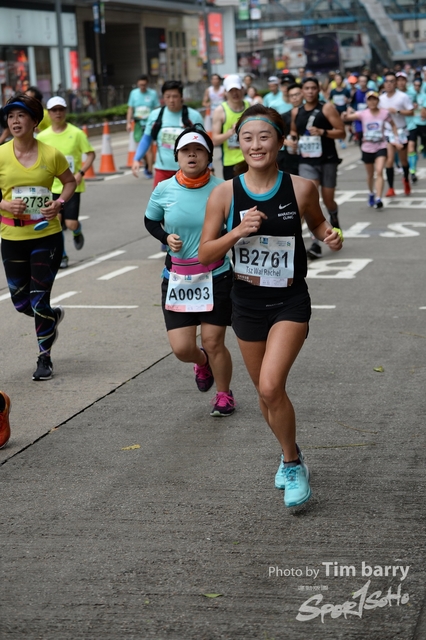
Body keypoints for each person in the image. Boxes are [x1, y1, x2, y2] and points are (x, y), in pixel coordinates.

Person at [198, 104, 343, 508]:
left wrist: (328, 235)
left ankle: (293, 465)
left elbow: (317, 222)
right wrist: (237, 232)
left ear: (280, 141)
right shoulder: (224, 193)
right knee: (266, 396)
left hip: (289, 302)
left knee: (270, 386)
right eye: (247, 138)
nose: (256, 145)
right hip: (245, 304)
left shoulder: (301, 188)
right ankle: (288, 451)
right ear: (238, 144)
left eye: (264, 137)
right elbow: (206, 254)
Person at [144, 125, 235, 417]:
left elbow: (234, 228)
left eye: (198, 150)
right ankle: (202, 362)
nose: (192, 155)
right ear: (177, 156)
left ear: (208, 156)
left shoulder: (223, 189)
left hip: (216, 276)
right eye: (186, 150)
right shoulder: (164, 189)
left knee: (213, 341)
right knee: (183, 349)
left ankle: (224, 394)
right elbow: (150, 220)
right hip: (178, 279)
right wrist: (164, 236)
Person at [0, 93, 76, 380]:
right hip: (12, 236)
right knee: (21, 303)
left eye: (21, 115)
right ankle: (51, 317)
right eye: (10, 116)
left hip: (47, 236)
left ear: (34, 121)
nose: (15, 121)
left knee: (38, 300)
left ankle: (44, 358)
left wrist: (59, 203)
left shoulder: (51, 154)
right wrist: (4, 204)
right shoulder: (1, 154)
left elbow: (69, 182)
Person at [37, 96, 95, 269]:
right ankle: (62, 255)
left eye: (61, 109)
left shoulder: (76, 133)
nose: (58, 113)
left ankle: (77, 230)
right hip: (50, 187)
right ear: (48, 113)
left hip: (71, 186)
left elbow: (90, 154)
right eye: (54, 110)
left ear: (65, 111)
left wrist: (80, 173)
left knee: (70, 224)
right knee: (56, 223)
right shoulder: (42, 136)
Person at [291, 76, 345, 260]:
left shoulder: (327, 108)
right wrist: (293, 140)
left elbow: (342, 132)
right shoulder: (296, 112)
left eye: (313, 88)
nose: (310, 91)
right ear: (302, 91)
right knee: (309, 199)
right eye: (306, 88)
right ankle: (315, 243)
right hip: (306, 161)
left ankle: (333, 216)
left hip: (327, 160)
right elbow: (294, 131)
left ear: (318, 90)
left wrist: (323, 132)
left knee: (328, 200)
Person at [132, 80, 204, 188]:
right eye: (168, 96)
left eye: (175, 96)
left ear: (181, 97)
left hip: (188, 171)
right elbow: (146, 139)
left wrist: (209, 166)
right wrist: (136, 159)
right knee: (159, 198)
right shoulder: (155, 115)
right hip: (162, 170)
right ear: (163, 98)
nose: (171, 100)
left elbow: (203, 144)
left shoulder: (194, 116)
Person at [343, 91, 401, 208]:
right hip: (367, 147)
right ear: (367, 101)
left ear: (378, 101)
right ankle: (371, 193)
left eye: (374, 99)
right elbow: (347, 118)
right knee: (370, 175)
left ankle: (379, 198)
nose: (372, 102)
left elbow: (393, 125)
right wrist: (345, 113)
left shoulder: (384, 113)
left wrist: (396, 139)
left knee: (379, 171)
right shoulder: (363, 114)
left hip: (381, 145)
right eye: (370, 100)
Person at [379, 71, 414, 197]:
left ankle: (406, 180)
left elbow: (411, 112)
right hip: (388, 132)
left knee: (403, 160)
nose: (388, 84)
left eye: (391, 81)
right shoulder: (381, 99)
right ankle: (391, 188)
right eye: (386, 81)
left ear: (396, 83)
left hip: (401, 131)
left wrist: (398, 111)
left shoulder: (402, 96)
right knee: (389, 160)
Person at [212, 74, 250, 180]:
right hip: (230, 162)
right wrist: (231, 132)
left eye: (237, 89)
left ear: (242, 89)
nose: (235, 93)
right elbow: (215, 140)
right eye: (231, 91)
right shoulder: (220, 111)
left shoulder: (250, 107)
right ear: (225, 92)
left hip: (250, 159)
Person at [126, 75, 160, 178]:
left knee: (148, 148)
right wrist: (128, 122)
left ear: (147, 84)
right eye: (140, 85)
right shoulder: (134, 93)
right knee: (141, 147)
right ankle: (147, 164)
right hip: (138, 124)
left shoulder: (152, 94)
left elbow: (157, 108)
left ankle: (149, 170)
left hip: (149, 124)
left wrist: (157, 122)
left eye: (144, 85)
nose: (142, 87)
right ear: (137, 84)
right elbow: (130, 109)